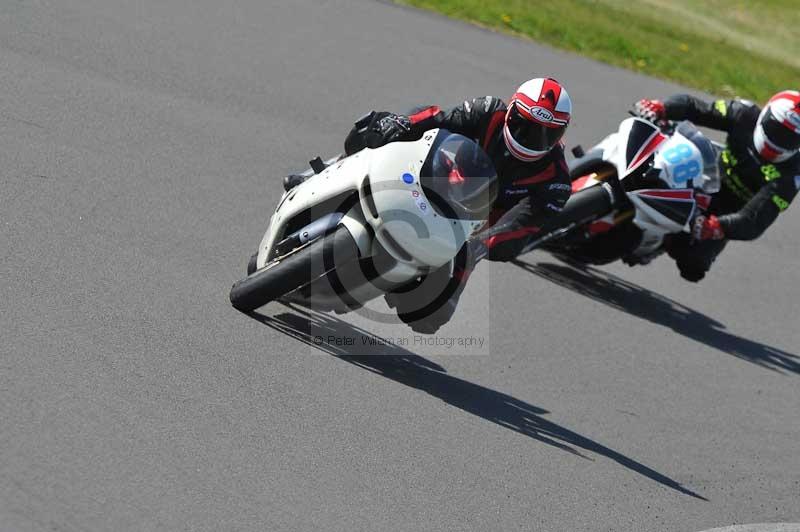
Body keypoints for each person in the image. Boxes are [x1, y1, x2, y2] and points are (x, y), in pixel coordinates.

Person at [310, 78, 574, 332]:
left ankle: (381, 282)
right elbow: (438, 119)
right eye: (523, 125)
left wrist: (480, 244)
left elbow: (521, 227)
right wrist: (403, 123)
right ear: (511, 109)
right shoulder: (488, 111)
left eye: (545, 134)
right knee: (375, 129)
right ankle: (324, 172)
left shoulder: (556, 181)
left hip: (467, 230)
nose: (530, 138)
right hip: (438, 179)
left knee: (430, 316)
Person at [634, 91, 800, 281]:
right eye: (777, 129)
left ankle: (660, 242)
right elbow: (697, 108)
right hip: (704, 175)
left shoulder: (792, 175)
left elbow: (757, 218)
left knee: (693, 266)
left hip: (727, 211)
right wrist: (663, 108)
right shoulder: (743, 113)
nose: (780, 140)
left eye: (791, 138)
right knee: (654, 166)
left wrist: (719, 227)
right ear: (765, 114)